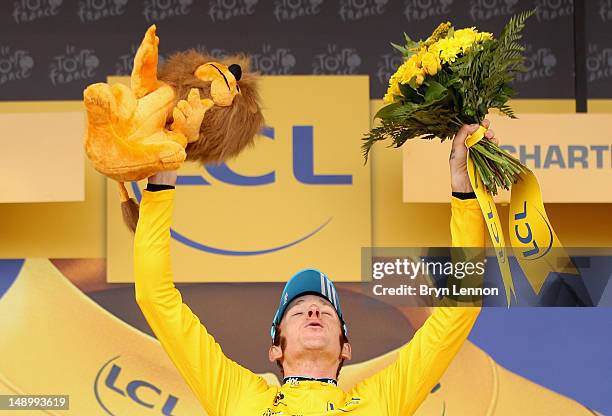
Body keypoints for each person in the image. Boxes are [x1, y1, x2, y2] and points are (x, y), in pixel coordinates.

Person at [134, 122, 494, 415]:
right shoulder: (236, 396)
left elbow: (458, 312)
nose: (313, 309)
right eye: (297, 310)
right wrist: (161, 182)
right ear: (275, 349)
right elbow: (155, 297)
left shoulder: (381, 401)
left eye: (325, 309)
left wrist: (464, 191)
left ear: (346, 348)